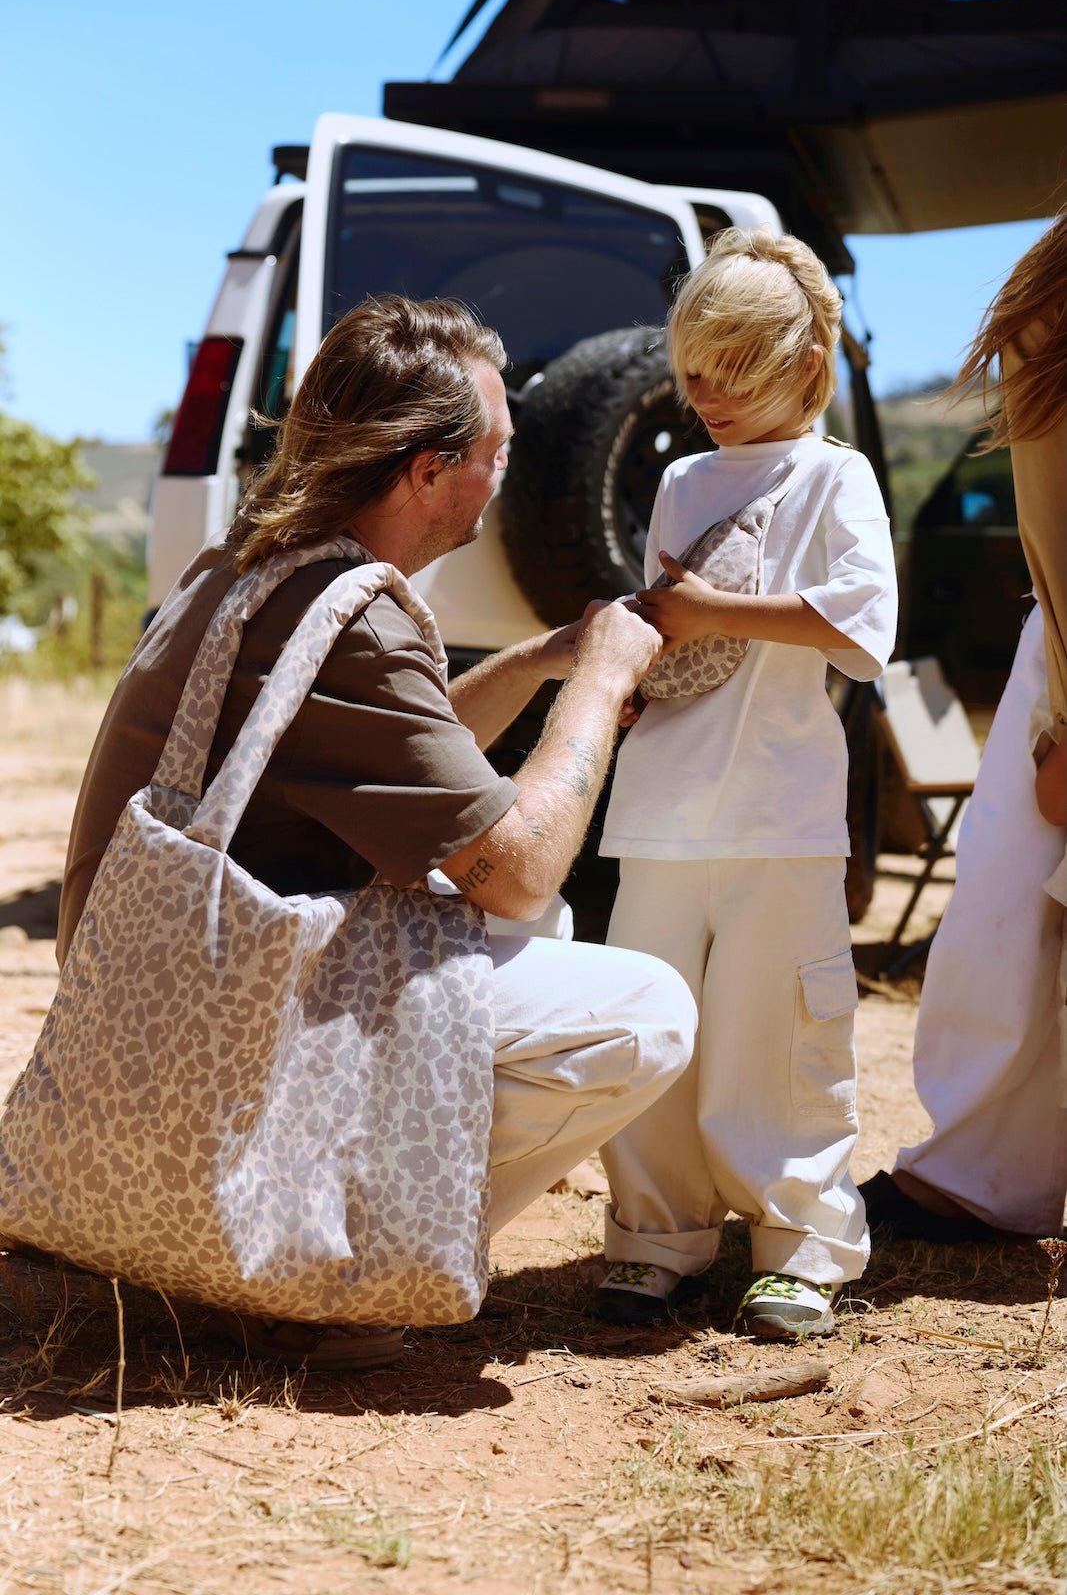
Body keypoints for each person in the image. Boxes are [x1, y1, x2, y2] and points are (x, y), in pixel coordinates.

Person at [56, 294, 697, 1368]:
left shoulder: (251, 566)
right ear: (427, 471)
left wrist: (541, 656)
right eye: (498, 447)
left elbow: (421, 747)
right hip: (205, 1018)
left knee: (543, 944)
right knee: (642, 1012)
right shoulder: (349, 617)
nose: (506, 468)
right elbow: (518, 868)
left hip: (146, 985)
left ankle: (261, 1229)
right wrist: (597, 682)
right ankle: (321, 1271)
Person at [593, 227, 898, 1338]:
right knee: (653, 1025)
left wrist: (700, 609)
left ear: (802, 365)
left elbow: (861, 625)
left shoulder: (835, 475)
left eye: (732, 366)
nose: (702, 391)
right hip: (660, 805)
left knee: (778, 1032)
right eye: (692, 366)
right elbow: (672, 633)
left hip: (779, 812)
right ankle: (653, 1233)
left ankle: (801, 1241)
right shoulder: (680, 480)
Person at [860, 213, 1067, 1242]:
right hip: (1054, 625)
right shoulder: (1049, 292)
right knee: (996, 908)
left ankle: (979, 1173)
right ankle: (979, 1172)